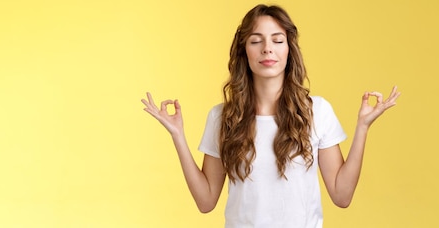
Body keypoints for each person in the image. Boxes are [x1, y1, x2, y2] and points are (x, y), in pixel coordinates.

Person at [141, 4, 401, 228]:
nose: (267, 49)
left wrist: (363, 126)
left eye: (277, 40)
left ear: (289, 50)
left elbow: (342, 196)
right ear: (244, 51)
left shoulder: (317, 111)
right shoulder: (223, 117)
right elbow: (206, 201)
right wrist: (177, 135)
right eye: (256, 41)